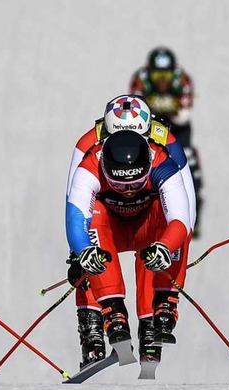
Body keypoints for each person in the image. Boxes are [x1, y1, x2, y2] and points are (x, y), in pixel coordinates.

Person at [66, 95, 196, 370]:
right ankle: (99, 324)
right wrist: (79, 254)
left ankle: (156, 314)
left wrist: (170, 249)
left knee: (167, 225)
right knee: (89, 245)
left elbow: (184, 214)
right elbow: (76, 211)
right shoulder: (88, 150)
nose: (127, 189)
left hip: (148, 221)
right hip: (108, 221)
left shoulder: (166, 148)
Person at [129, 47, 204, 238]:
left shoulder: (183, 79)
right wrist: (167, 107)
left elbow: (183, 117)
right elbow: (136, 110)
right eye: (157, 75)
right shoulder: (139, 78)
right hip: (148, 127)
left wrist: (155, 106)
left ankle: (193, 210)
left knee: (188, 161)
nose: (162, 81)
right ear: (149, 72)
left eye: (166, 75)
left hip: (177, 129)